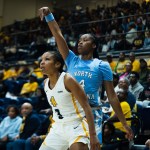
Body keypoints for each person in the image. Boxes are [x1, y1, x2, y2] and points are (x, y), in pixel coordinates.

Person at [38, 7, 133, 144]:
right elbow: (58, 35)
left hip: (92, 113)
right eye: (80, 40)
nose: (80, 42)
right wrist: (49, 16)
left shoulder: (102, 65)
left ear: (94, 45)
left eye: (85, 40)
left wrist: (124, 123)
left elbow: (112, 96)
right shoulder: (71, 59)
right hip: (71, 114)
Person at [39, 51, 100, 150]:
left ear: (57, 64)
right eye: (41, 60)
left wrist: (93, 135)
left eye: (47, 59)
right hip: (58, 127)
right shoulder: (45, 83)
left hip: (76, 125)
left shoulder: (67, 80)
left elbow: (86, 107)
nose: (42, 62)